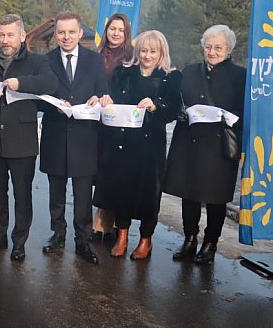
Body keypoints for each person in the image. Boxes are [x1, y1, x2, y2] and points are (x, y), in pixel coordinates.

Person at [94, 31, 181, 259]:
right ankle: (122, 236)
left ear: (161, 53)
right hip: (123, 143)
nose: (147, 56)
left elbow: (173, 111)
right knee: (122, 190)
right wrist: (107, 100)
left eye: (153, 51)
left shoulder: (170, 78)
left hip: (150, 147)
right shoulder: (124, 72)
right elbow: (111, 99)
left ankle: (145, 239)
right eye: (143, 51)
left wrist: (155, 106)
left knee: (149, 195)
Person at [0, 14, 57, 261]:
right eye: (2, 34)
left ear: (22, 36)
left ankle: (19, 242)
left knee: (22, 195)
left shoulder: (37, 61)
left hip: (22, 140)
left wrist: (20, 82)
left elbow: (50, 83)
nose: (5, 40)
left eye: (10, 35)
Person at [164, 25, 245, 265]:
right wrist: (180, 111)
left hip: (218, 147)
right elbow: (176, 100)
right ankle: (190, 239)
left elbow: (246, 113)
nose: (212, 52)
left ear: (229, 49)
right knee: (188, 194)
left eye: (218, 47)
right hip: (189, 142)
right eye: (208, 47)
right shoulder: (189, 71)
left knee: (216, 198)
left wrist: (228, 117)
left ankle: (210, 243)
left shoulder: (240, 76)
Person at [39, 11, 109, 265]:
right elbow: (38, 98)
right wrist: (54, 105)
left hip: (85, 136)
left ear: (80, 33)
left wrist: (99, 98)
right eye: (61, 32)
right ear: (55, 34)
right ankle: (58, 234)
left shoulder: (95, 60)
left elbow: (103, 91)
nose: (66, 37)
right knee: (56, 192)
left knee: (82, 195)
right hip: (56, 134)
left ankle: (83, 240)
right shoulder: (45, 61)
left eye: (71, 32)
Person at [92, 13, 135, 240]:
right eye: (112, 29)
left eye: (121, 30)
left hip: (120, 123)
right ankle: (102, 220)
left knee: (116, 174)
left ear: (126, 33)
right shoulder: (95, 55)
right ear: (106, 30)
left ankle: (114, 224)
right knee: (101, 173)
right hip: (97, 121)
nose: (116, 33)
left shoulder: (131, 57)